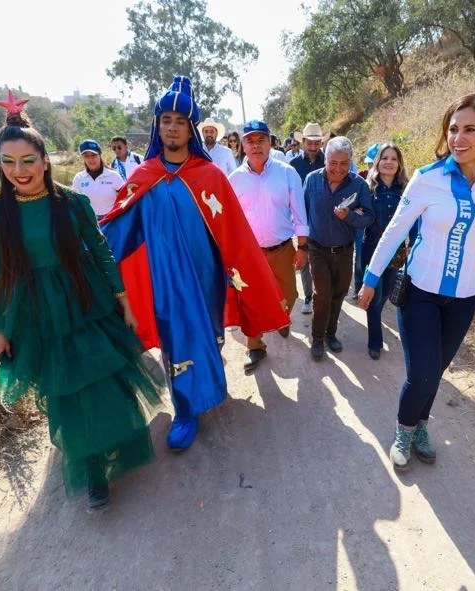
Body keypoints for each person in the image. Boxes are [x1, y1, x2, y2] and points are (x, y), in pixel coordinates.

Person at [0, 93, 161, 512]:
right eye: (9, 162)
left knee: (101, 382)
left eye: (28, 160)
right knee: (65, 393)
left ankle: (114, 444)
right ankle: (92, 468)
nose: (19, 171)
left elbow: (101, 253)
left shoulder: (73, 203)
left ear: (45, 161)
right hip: (35, 313)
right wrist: (0, 329)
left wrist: (123, 300)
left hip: (85, 303)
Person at [100, 76, 288, 451]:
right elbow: (119, 233)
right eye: (166, 120)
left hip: (207, 278)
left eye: (180, 121)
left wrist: (242, 279)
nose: (172, 127)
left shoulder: (210, 176)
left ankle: (209, 388)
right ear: (158, 127)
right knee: (176, 343)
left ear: (190, 130)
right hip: (166, 282)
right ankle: (185, 410)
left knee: (210, 338)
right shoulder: (144, 178)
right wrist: (89, 256)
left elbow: (235, 234)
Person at [358, 93, 475, 471]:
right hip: (419, 292)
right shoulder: (428, 178)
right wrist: (370, 279)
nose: (458, 138)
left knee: (437, 371)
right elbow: (395, 230)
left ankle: (421, 427)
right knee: (422, 373)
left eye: (469, 130)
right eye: (452, 129)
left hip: (463, 298)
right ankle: (403, 430)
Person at [229, 120, 308, 372]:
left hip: (283, 249)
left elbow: (299, 212)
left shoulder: (287, 173)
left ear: (270, 142)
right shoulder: (234, 180)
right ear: (243, 146)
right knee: (251, 302)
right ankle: (255, 346)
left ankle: (281, 318)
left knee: (290, 294)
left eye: (260, 140)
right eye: (250, 141)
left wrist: (302, 247)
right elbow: (230, 219)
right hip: (250, 254)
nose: (255, 146)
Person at [304, 136, 374, 361]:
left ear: (350, 161)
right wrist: (302, 245)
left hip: (344, 251)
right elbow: (303, 211)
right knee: (322, 294)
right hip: (317, 249)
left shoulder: (359, 185)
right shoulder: (312, 180)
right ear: (325, 160)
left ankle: (330, 333)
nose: (338, 168)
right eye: (333, 163)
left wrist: (350, 216)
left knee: (339, 293)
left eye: (344, 163)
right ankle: (317, 338)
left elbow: (369, 217)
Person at [361, 143, 418, 360]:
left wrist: (413, 242)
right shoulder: (368, 188)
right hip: (372, 248)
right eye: (385, 158)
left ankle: (376, 312)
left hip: (397, 252)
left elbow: (414, 218)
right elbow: (359, 212)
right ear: (378, 162)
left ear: (399, 164)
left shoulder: (406, 190)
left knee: (388, 291)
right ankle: (375, 342)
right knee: (374, 295)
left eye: (394, 159)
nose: (389, 162)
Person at [289, 122, 326, 315]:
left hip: (325, 218)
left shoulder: (328, 161)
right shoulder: (293, 165)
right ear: (302, 142)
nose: (313, 147)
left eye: (316, 143)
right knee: (305, 257)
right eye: (309, 143)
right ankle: (309, 297)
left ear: (321, 143)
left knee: (323, 258)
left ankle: (324, 295)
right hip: (303, 219)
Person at [352, 143, 381, 300]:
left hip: (379, 228)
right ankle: (358, 288)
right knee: (360, 258)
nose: (371, 166)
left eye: (373, 163)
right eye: (370, 163)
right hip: (362, 227)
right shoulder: (361, 177)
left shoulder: (390, 182)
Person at [71, 139, 124, 218]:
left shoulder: (113, 176)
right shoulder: (79, 178)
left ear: (100, 155)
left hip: (111, 220)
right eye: (86, 156)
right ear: (83, 158)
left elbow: (126, 197)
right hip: (89, 221)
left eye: (93, 155)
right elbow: (75, 203)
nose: (90, 159)